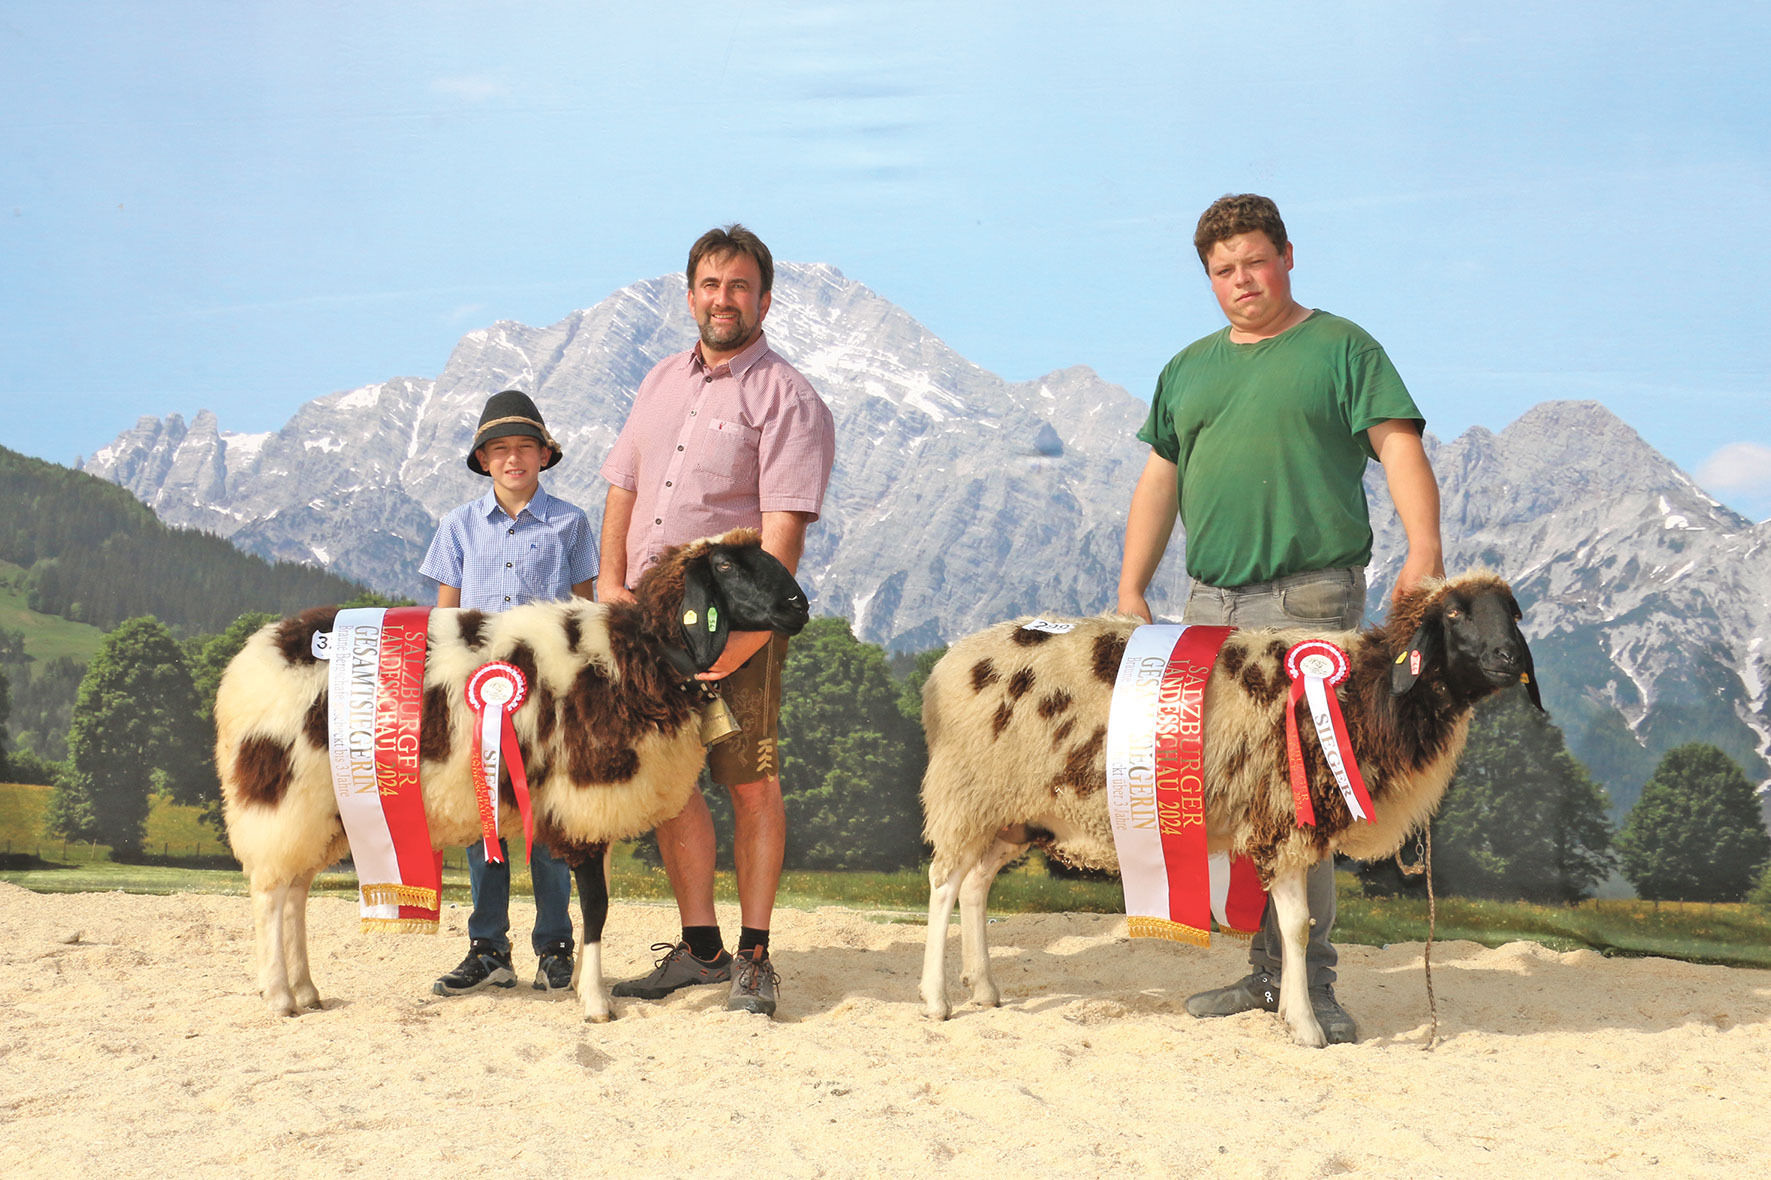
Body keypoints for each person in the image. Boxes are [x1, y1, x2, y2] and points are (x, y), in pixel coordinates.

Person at [1116, 193, 1443, 1044]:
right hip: (1207, 605)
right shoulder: (1186, 368)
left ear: (1287, 256)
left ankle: (1316, 982)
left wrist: (1423, 550)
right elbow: (1160, 481)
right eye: (1222, 270)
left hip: (1312, 604)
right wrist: (1130, 586)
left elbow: (1398, 444)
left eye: (1253, 262)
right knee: (1232, 791)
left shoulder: (1341, 347)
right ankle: (1265, 974)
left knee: (1308, 798)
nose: (1240, 281)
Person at [599, 224, 835, 1018]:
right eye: (708, 284)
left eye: (737, 286)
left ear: (763, 299)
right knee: (671, 787)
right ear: (689, 292)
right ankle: (698, 952)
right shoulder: (660, 378)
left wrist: (748, 636)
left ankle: (755, 957)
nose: (721, 299)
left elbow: (782, 532)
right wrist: (608, 581)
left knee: (749, 783)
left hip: (731, 613)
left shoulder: (787, 396)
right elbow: (624, 486)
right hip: (645, 616)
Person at [421, 389, 598, 997]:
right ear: (483, 459)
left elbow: (583, 607)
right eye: (500, 449)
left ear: (544, 455)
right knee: (482, 822)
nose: (513, 458)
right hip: (477, 696)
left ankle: (555, 947)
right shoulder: (458, 525)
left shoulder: (571, 522)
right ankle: (487, 947)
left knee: (548, 819)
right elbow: (445, 618)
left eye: (524, 447)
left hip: (547, 695)